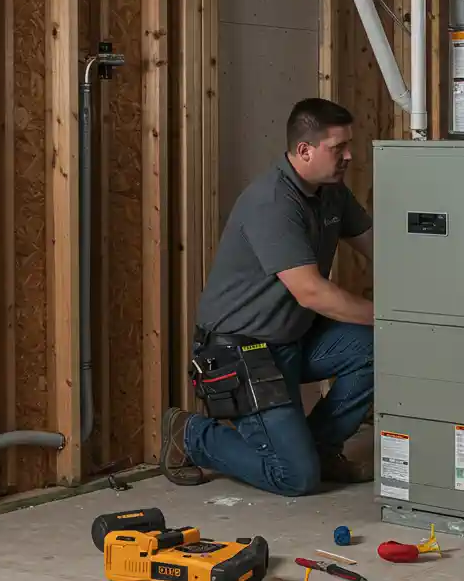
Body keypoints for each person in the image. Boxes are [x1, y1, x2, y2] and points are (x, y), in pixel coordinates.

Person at [160, 97, 377, 497]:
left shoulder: (331, 192)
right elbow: (311, 292)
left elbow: (378, 249)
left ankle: (321, 449)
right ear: (305, 151)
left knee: (378, 346)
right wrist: (393, 317)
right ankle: (191, 434)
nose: (350, 155)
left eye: (349, 144)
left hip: (293, 337)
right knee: (295, 476)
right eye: (338, 147)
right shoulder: (274, 202)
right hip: (241, 351)